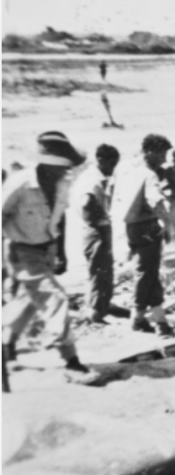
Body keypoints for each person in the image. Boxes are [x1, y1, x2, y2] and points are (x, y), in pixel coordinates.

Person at [2, 132, 91, 390]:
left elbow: (60, 218)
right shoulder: (20, 183)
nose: (65, 170)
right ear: (46, 162)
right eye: (61, 164)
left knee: (29, 301)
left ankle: (6, 344)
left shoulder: (62, 183)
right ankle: (71, 362)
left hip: (47, 249)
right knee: (55, 298)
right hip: (22, 251)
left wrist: (61, 252)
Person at [124, 134, 175, 336]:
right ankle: (137, 317)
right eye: (162, 154)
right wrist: (169, 224)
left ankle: (158, 317)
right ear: (150, 153)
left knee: (150, 271)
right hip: (146, 226)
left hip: (132, 228)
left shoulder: (130, 170)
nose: (164, 159)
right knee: (146, 273)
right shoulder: (149, 175)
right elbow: (155, 201)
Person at [81, 144, 121, 324]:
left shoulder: (100, 177)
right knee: (99, 270)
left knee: (105, 269)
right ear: (100, 160)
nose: (113, 168)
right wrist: (99, 221)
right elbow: (86, 203)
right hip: (96, 229)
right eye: (111, 163)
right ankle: (96, 313)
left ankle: (102, 305)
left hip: (100, 228)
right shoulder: (93, 179)